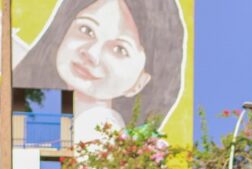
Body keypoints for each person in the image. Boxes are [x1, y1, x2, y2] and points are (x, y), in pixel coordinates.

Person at [13, 0, 186, 144]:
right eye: (87, 30)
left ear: (140, 83)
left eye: (119, 49)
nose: (92, 53)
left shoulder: (98, 130)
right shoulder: (49, 111)